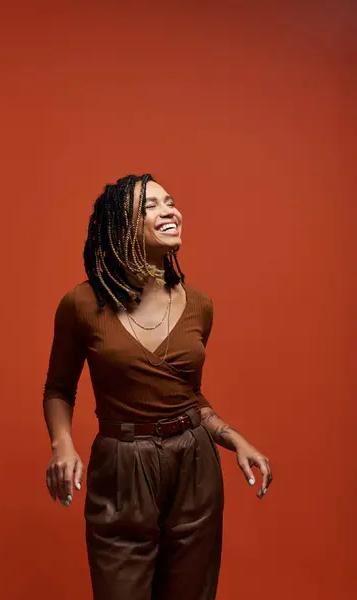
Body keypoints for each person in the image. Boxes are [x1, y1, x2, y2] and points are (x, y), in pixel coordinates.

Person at [42, 173, 273, 600]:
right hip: (122, 467)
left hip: (194, 464)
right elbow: (58, 387)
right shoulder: (81, 304)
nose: (169, 209)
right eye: (150, 205)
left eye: (171, 201)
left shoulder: (200, 305)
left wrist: (235, 439)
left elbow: (189, 397)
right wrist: (63, 445)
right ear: (119, 225)